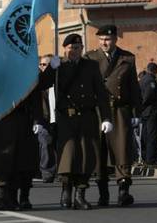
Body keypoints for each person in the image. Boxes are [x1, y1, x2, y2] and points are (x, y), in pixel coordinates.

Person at [42, 34, 112, 210]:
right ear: (65, 49)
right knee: (68, 155)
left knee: (86, 155)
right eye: (71, 48)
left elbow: (101, 94)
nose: (74, 51)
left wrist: (106, 117)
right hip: (66, 117)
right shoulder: (59, 66)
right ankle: (66, 191)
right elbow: (42, 84)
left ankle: (80, 194)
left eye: (78, 48)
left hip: (87, 116)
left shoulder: (91, 66)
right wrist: (51, 68)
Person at [84, 25, 141, 207]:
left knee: (122, 150)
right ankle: (103, 193)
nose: (104, 43)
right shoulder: (90, 58)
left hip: (119, 110)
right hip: (99, 112)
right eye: (101, 40)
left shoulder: (127, 58)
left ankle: (124, 190)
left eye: (107, 39)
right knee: (100, 151)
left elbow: (134, 88)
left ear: (115, 39)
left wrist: (135, 113)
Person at [0, 87, 44, 211]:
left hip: (21, 117)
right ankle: (1, 196)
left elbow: (35, 89)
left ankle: (15, 197)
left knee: (20, 159)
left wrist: (38, 119)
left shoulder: (25, 68)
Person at [38, 54, 57, 183]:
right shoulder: (38, 80)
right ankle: (47, 171)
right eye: (42, 64)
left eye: (47, 65)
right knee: (45, 143)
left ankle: (60, 171)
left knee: (59, 145)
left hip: (58, 117)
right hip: (44, 118)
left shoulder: (58, 79)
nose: (44, 67)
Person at [139, 62, 157, 166]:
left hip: (144, 112)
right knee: (151, 136)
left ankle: (145, 157)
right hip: (151, 111)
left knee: (144, 135)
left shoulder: (142, 80)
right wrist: (143, 105)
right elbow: (148, 96)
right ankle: (150, 159)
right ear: (155, 70)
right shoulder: (150, 81)